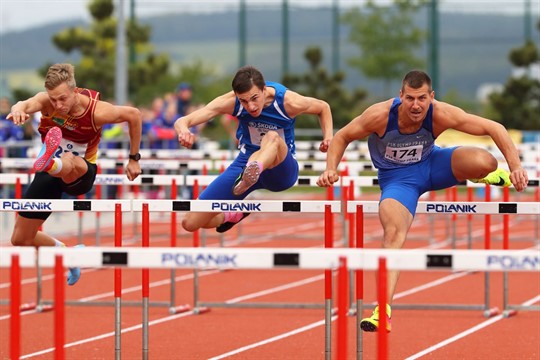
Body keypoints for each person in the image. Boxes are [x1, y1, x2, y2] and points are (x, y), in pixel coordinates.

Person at [317, 70, 529, 332]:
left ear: (431, 97)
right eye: (410, 99)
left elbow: (493, 127)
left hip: (432, 165)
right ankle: (382, 311)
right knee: (393, 233)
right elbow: (341, 137)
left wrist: (516, 166)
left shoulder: (440, 113)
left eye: (421, 98)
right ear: (400, 97)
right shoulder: (380, 115)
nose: (416, 105)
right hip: (398, 180)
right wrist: (330, 168)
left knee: (485, 161)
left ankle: (486, 176)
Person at [7, 63, 142, 285]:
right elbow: (24, 103)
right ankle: (69, 253)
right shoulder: (45, 101)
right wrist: (18, 109)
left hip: (81, 173)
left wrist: (134, 159)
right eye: (53, 99)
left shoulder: (97, 111)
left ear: (74, 91)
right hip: (49, 175)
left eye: (62, 99)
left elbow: (134, 115)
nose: (57, 105)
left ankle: (52, 162)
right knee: (20, 238)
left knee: (70, 163)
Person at [175, 65, 333, 233]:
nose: (250, 106)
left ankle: (254, 169)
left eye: (254, 98)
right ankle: (232, 214)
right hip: (244, 164)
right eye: (243, 101)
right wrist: (183, 131)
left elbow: (323, 107)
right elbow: (183, 121)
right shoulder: (231, 102)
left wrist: (328, 137)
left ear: (264, 89)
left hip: (280, 168)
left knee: (271, 137)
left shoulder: (288, 101)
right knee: (190, 222)